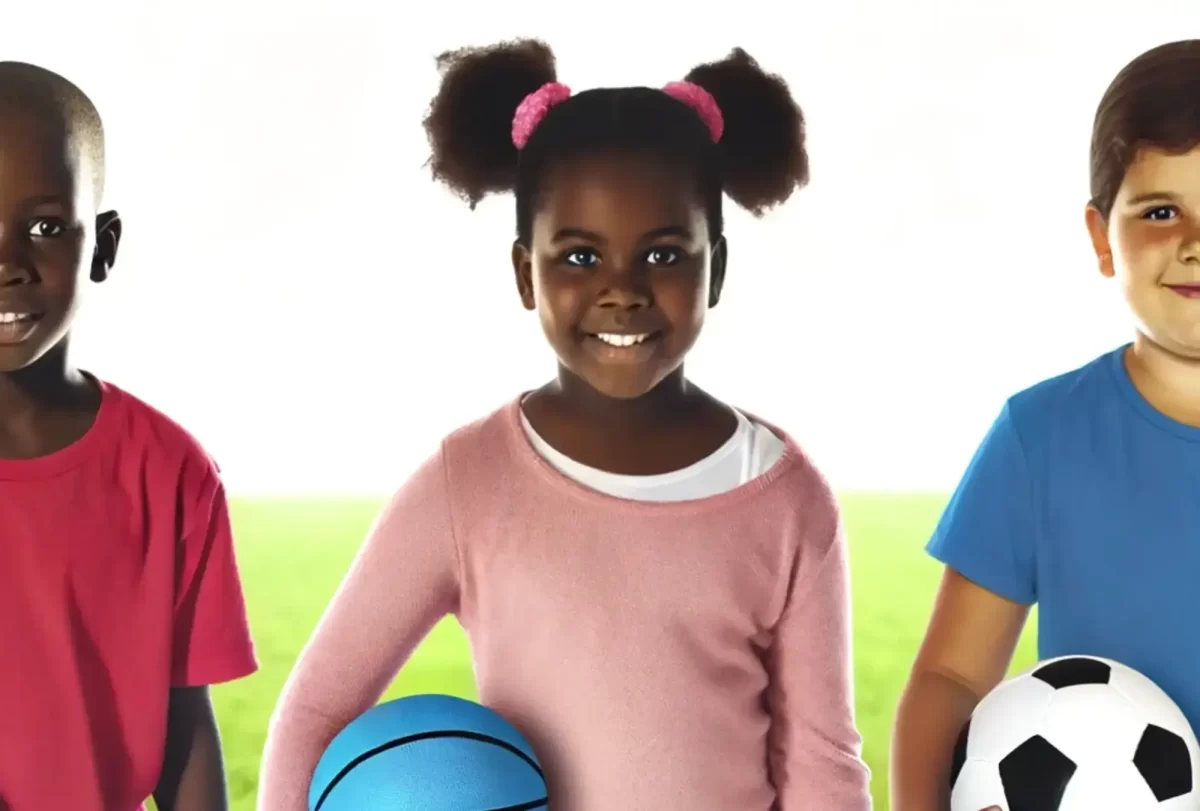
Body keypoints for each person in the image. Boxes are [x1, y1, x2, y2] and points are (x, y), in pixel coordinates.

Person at [258, 39, 871, 810]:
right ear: (525, 273)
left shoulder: (786, 497)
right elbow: (318, 705)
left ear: (717, 265)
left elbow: (820, 759)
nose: (623, 291)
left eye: (664, 254)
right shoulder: (469, 483)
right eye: (581, 257)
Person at [890, 39, 1200, 811]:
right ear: (1102, 238)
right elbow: (952, 676)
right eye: (1161, 211)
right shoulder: (1041, 438)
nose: (1194, 241)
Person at [0, 62, 258, 810]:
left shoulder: (172, 472)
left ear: (103, 245)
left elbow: (185, 720)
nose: (8, 263)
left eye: (44, 227)